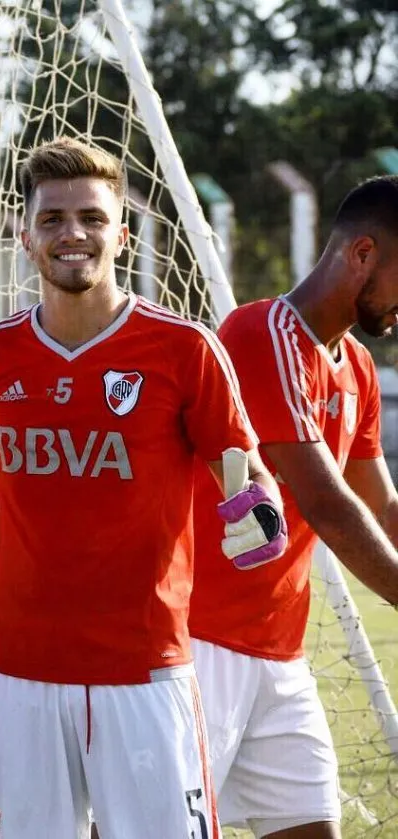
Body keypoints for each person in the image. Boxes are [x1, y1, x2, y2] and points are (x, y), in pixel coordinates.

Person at [0, 136, 287, 838]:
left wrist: (257, 506)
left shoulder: (184, 350)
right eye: (51, 219)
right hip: (18, 682)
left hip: (145, 676)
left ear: (122, 231)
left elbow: (242, 469)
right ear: (26, 236)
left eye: (90, 216)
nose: (71, 233)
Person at [189, 174, 398, 839]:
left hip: (278, 655)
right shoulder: (263, 332)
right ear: (363, 254)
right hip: (195, 648)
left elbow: (381, 503)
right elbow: (327, 504)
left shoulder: (357, 367)